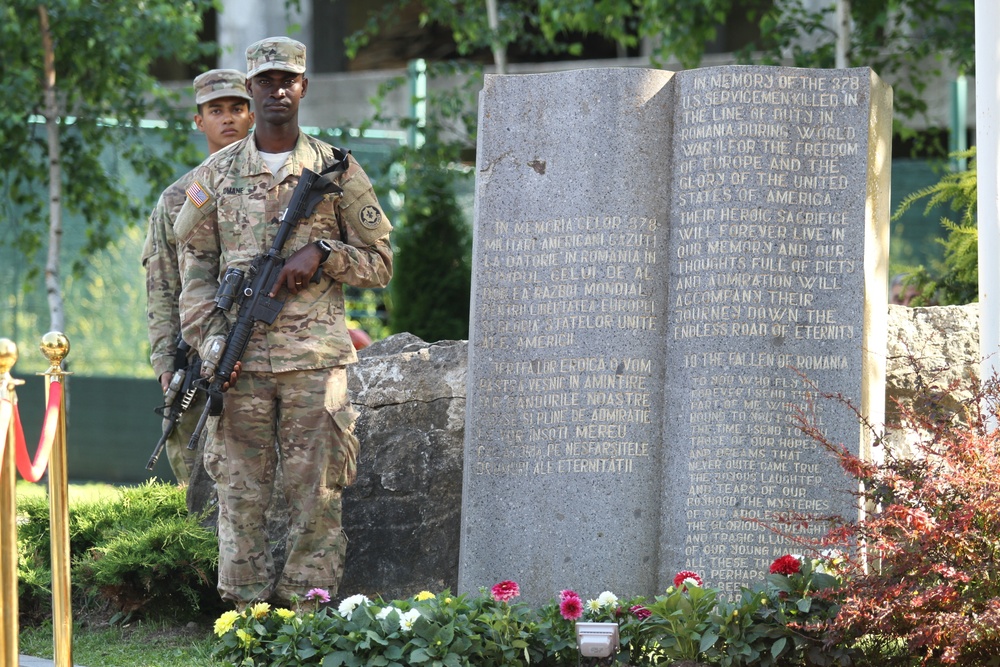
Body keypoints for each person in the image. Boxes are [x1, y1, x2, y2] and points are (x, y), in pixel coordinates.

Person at [174, 36, 393, 608]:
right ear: (250, 90)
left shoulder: (336, 170)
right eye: (265, 81)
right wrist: (211, 341)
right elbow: (193, 270)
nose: (277, 90)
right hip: (238, 362)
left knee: (316, 494)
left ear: (303, 88)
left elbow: (382, 263)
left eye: (287, 80)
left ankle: (306, 614)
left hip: (315, 365)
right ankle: (244, 618)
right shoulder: (215, 175)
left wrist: (324, 253)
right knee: (240, 494)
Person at [142, 69, 255, 484]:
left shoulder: (279, 184)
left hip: (264, 347)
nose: (228, 118)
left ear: (252, 115)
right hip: (196, 356)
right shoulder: (178, 198)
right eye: (216, 110)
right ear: (199, 121)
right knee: (194, 471)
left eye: (237, 108)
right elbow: (162, 283)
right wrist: (164, 362)